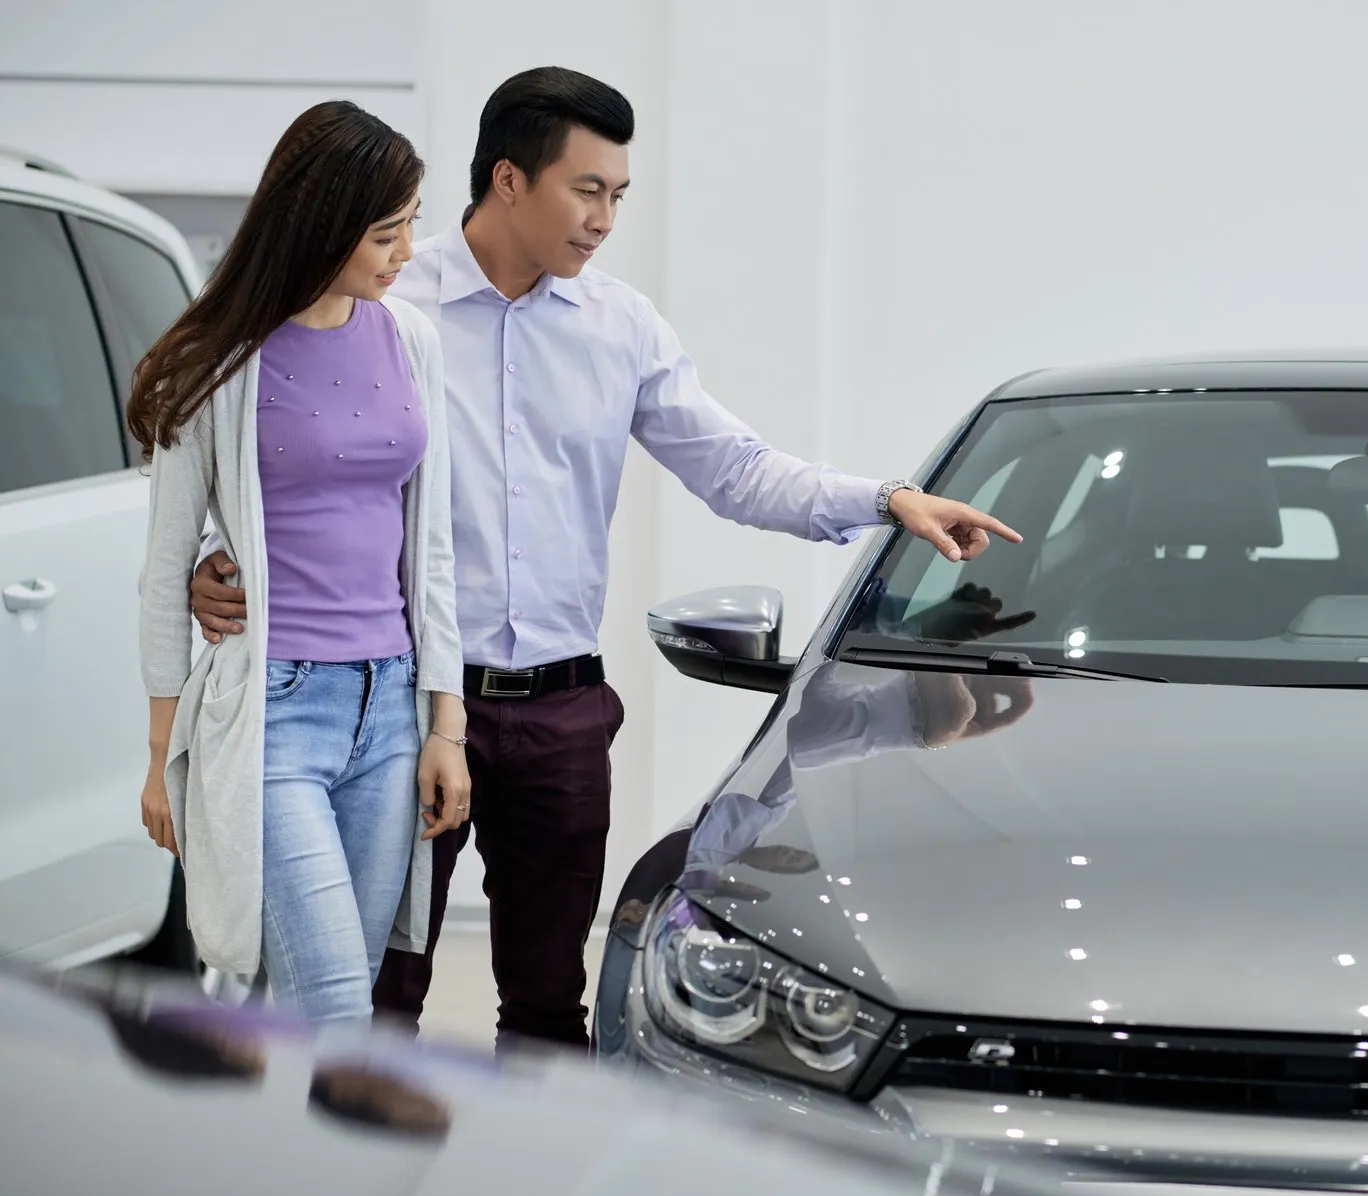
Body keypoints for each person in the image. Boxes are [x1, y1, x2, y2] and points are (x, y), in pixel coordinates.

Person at [189, 68, 1015, 1049]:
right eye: (588, 191)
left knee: (547, 1008)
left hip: (560, 714)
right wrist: (217, 556)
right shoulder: (383, 308)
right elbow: (278, 457)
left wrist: (883, 500)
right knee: (378, 996)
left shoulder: (620, 329)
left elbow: (736, 470)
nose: (604, 219)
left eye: (618, 196)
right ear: (509, 179)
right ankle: (365, 1185)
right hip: (412, 706)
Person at [135, 102, 471, 1028]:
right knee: (330, 1009)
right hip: (274, 714)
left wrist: (448, 722)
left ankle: (285, 1169)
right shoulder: (217, 364)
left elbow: (431, 550)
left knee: (338, 1003)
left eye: (410, 223)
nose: (406, 250)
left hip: (390, 709)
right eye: (386, 231)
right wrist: (162, 755)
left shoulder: (412, 342)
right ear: (321, 225)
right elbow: (167, 576)